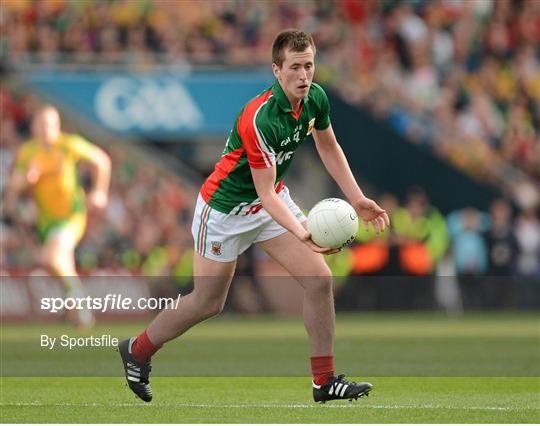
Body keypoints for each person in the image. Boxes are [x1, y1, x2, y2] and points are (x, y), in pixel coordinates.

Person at [118, 29, 389, 404]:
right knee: (207, 303)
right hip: (225, 212)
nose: (304, 76)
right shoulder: (259, 118)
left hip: (268, 204)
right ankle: (137, 351)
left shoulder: (316, 98)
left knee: (319, 280)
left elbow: (328, 145)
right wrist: (302, 231)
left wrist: (356, 197)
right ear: (277, 70)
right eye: (294, 67)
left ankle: (323, 382)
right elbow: (262, 190)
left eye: (308, 66)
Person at [5, 105, 111, 328]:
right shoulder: (28, 152)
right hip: (46, 220)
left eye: (50, 124)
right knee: (61, 263)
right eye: (41, 124)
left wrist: (99, 192)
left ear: (58, 126)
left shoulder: (68, 144)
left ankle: (80, 305)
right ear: (33, 126)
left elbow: (101, 161)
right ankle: (72, 307)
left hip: (71, 215)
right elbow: (14, 184)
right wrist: (28, 179)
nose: (46, 129)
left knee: (52, 258)